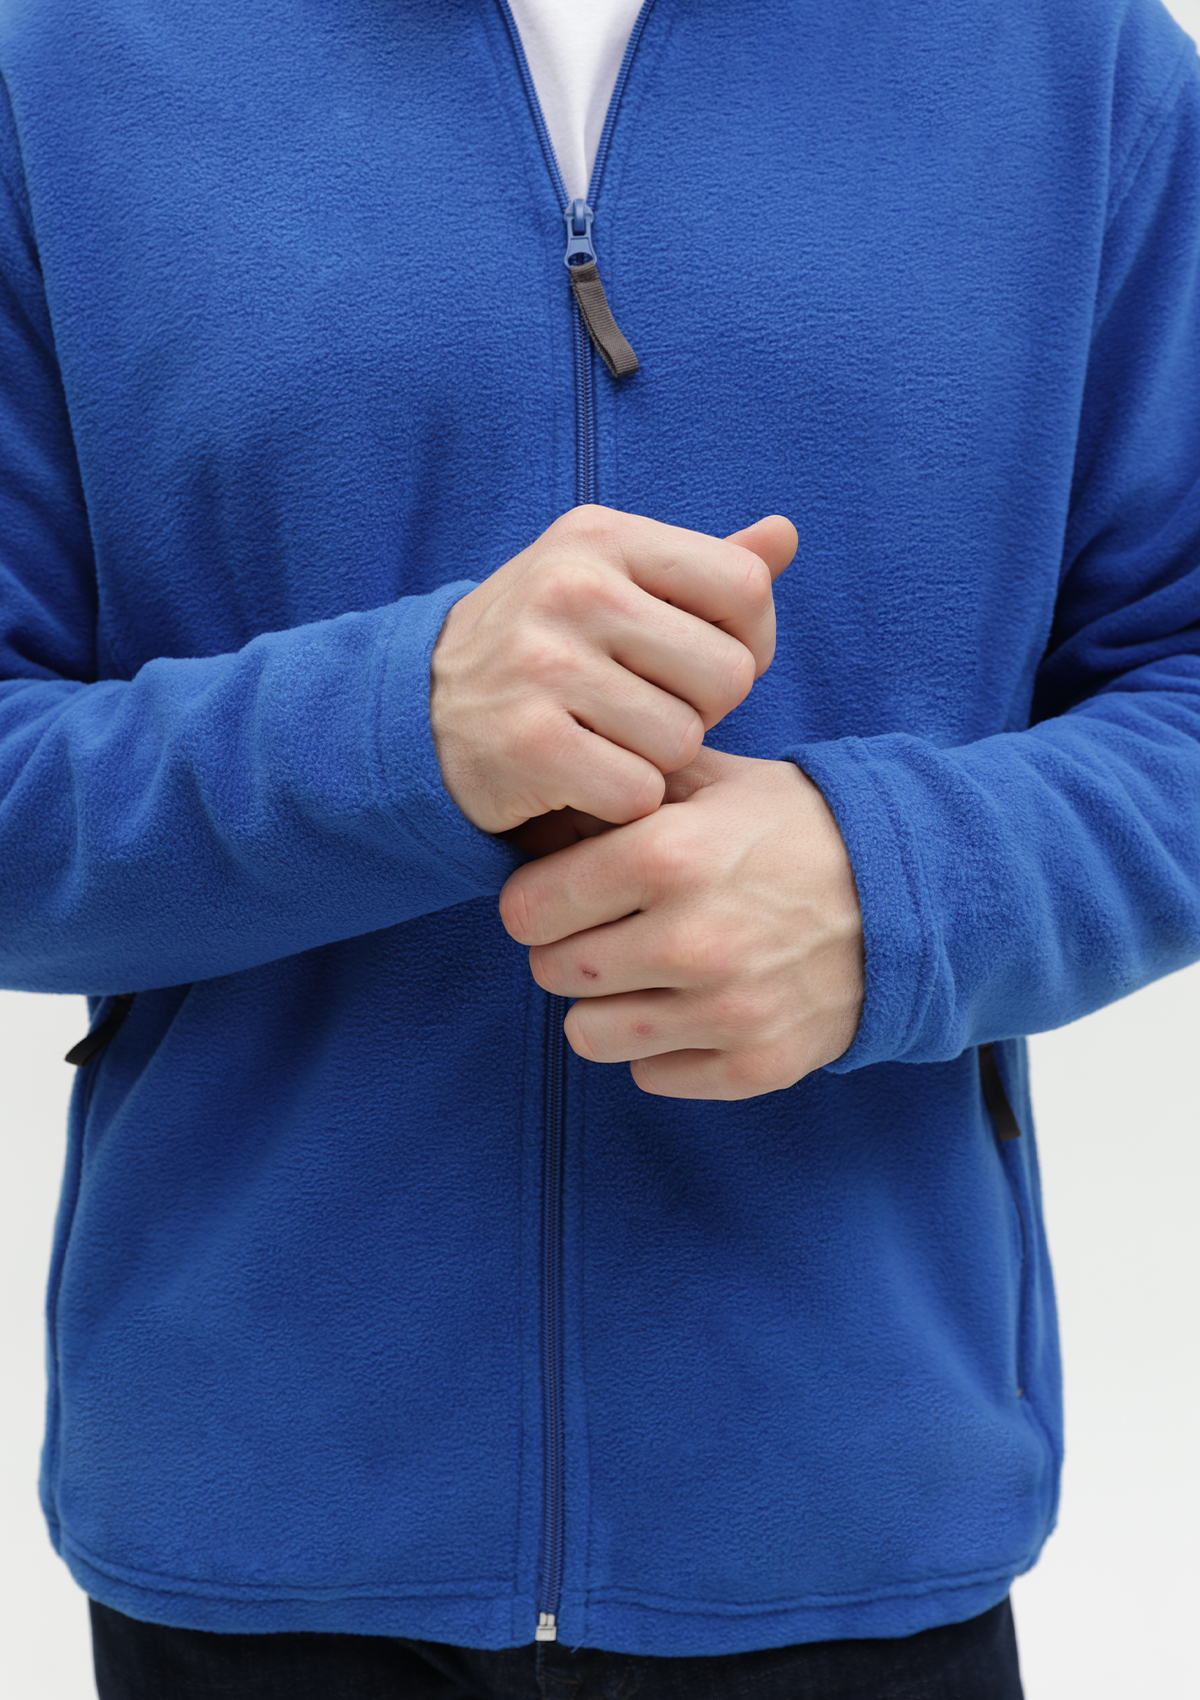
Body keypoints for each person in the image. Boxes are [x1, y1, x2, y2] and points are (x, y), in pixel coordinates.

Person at [3, 0, 1199, 1694]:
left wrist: (894, 887)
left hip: (849, 1511)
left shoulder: (1076, 58)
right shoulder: (62, 65)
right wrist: (400, 727)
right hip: (251, 1530)